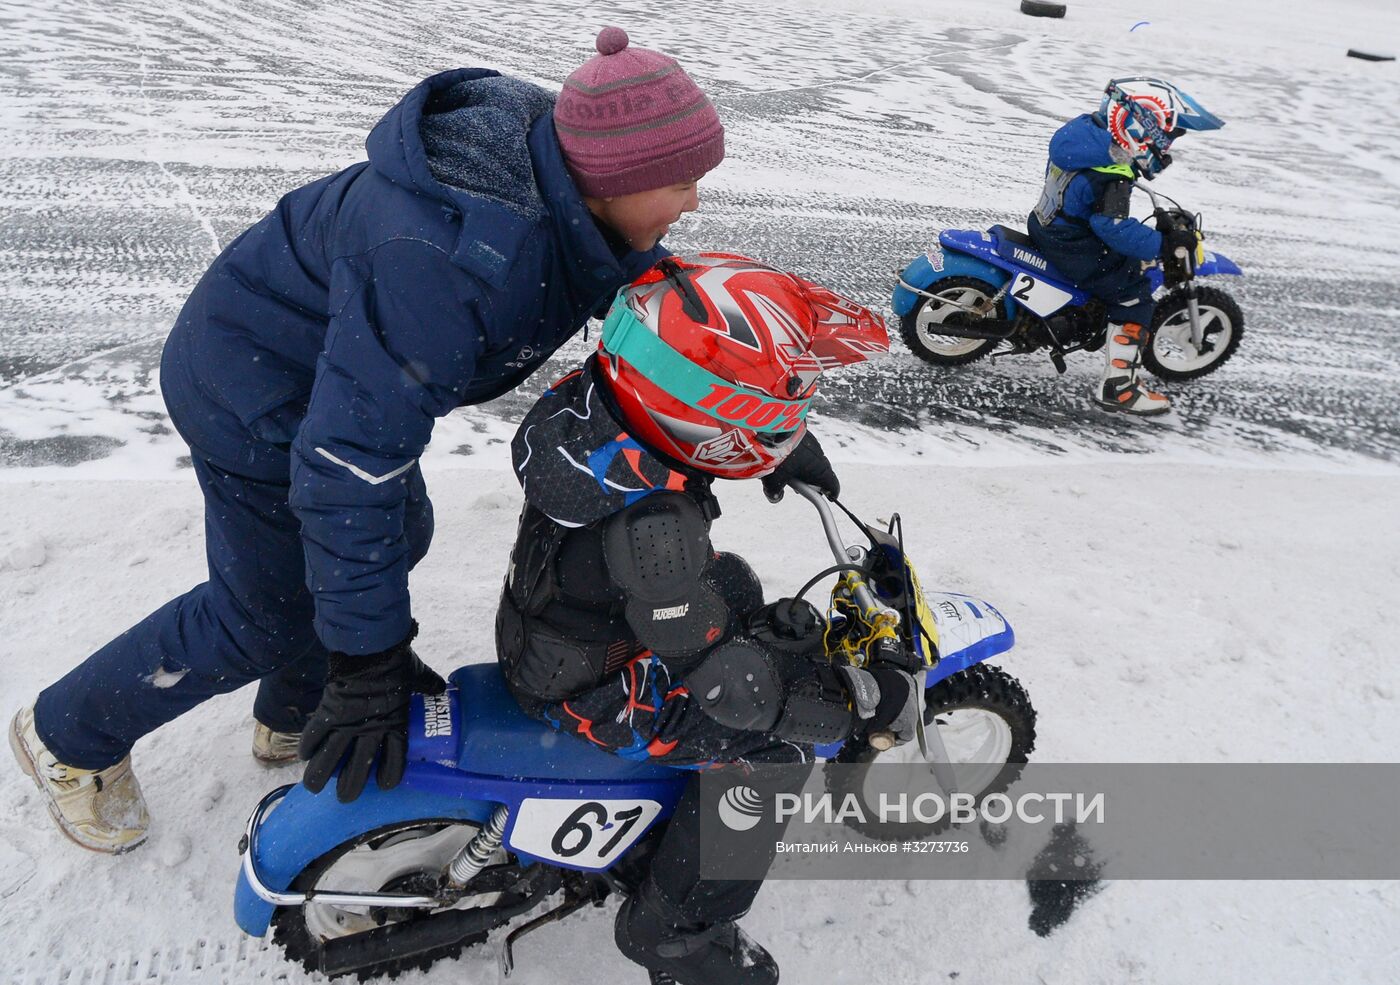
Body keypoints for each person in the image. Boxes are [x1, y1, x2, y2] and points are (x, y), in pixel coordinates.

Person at [9, 25, 726, 854]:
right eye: (680, 182)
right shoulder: (448, 258)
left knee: (395, 532)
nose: (693, 203)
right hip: (250, 386)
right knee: (266, 610)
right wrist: (368, 666)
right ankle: (68, 735)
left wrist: (743, 409)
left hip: (316, 366)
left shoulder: (560, 187)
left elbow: (604, 270)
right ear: (613, 178)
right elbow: (346, 474)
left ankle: (294, 702)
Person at [496, 253, 922, 985]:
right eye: (784, 397)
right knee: (774, 750)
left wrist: (773, 450)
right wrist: (855, 701)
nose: (797, 405)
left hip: (558, 624)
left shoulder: (597, 405)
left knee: (730, 583)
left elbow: (679, 415)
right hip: (593, 691)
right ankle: (675, 928)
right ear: (722, 414)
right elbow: (741, 694)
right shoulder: (656, 534)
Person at [1028, 77, 1223, 416]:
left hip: (1048, 223)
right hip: (1073, 244)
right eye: (1169, 136)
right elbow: (1112, 228)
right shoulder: (1111, 172)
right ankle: (1118, 388)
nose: (1168, 146)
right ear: (1142, 128)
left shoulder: (1084, 134)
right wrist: (1162, 245)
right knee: (1132, 295)